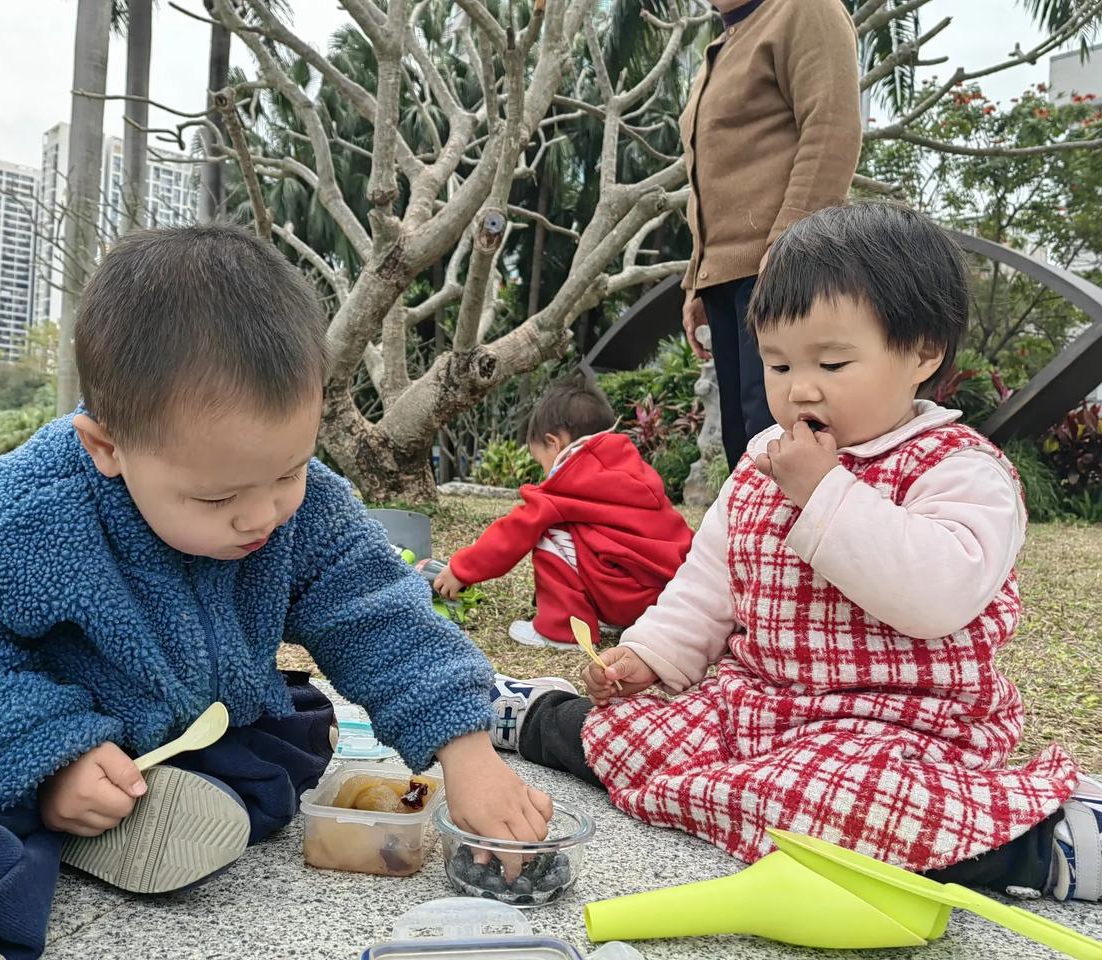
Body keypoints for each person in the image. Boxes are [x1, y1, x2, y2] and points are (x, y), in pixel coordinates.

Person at [0, 225, 553, 960]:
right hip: (5, 715)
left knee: (292, 734)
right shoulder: (19, 514)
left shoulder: (310, 507)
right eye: (218, 498)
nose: (264, 514)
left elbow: (378, 613)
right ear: (106, 448)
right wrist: (49, 752)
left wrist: (467, 752)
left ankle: (94, 819)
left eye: (290, 470)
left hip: (170, 727)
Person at [489, 204, 1102, 901]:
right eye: (778, 363)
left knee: (862, 809)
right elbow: (708, 584)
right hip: (762, 709)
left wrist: (825, 493)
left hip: (900, 730)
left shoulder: (960, 470)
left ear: (923, 354)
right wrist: (650, 655)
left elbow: (934, 597)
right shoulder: (762, 461)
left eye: (832, 362)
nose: (799, 387)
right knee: (632, 737)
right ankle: (535, 715)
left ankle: (1043, 845)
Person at [679, 0, 862, 468]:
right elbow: (714, 176)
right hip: (728, 276)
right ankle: (751, 540)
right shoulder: (726, 40)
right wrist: (697, 279)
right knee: (745, 441)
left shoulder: (803, 9)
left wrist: (790, 248)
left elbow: (831, 127)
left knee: (781, 433)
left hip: (777, 266)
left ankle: (798, 540)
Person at [433, 380, 693, 650]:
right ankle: (612, 617)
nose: (545, 472)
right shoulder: (631, 467)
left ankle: (562, 630)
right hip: (672, 600)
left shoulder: (571, 478)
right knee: (591, 537)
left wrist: (461, 569)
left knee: (547, 531)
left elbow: (514, 531)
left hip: (629, 600)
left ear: (554, 444)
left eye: (541, 461)